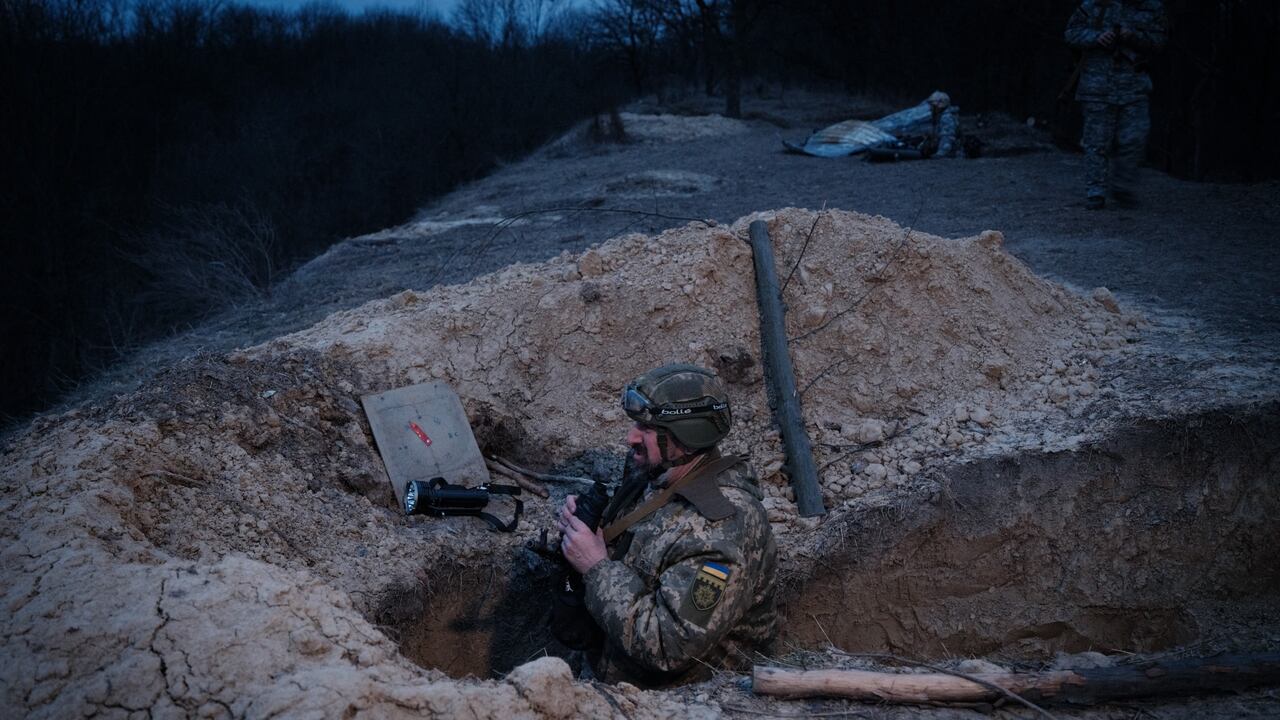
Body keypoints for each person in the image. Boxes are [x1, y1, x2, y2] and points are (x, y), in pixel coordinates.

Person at [558, 363, 778, 687]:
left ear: (687, 438)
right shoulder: (654, 479)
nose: (630, 436)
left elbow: (668, 645)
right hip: (615, 686)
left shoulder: (724, 526)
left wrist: (596, 567)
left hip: (683, 702)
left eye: (646, 428)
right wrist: (589, 530)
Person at [1065, 0, 1167, 209]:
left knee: (1134, 139)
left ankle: (1122, 187)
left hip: (1135, 86)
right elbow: (1071, 33)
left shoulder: (1150, 7)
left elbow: (1161, 40)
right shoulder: (1094, 5)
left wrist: (1134, 36)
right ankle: (1096, 191)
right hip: (1097, 85)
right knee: (1096, 142)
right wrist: (1096, 37)